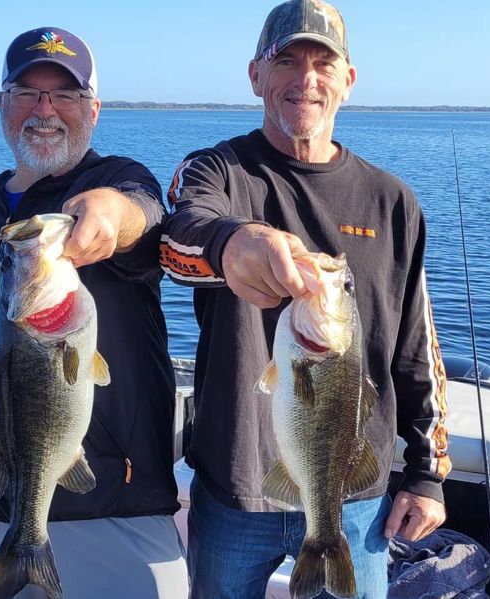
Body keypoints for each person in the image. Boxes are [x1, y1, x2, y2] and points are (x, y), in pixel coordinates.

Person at [161, 1, 450, 597]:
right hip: (232, 488)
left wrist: (427, 476)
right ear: (256, 76)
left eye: (324, 63)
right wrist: (236, 242)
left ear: (348, 79)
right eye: (287, 60)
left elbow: (417, 349)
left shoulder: (393, 202)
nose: (306, 79)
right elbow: (177, 239)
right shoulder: (216, 172)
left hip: (352, 496)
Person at [0, 27, 188, 599]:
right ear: (2, 105)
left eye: (66, 95)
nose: (44, 110)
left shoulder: (116, 180)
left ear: (94, 110)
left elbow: (142, 216)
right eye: (27, 93)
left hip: (114, 513)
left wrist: (110, 212)